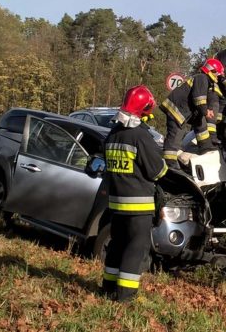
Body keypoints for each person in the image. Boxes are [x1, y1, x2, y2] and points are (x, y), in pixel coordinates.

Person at [101, 85, 168, 302]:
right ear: (144, 109)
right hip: (138, 206)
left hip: (116, 204)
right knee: (135, 248)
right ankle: (125, 296)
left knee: (117, 245)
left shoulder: (113, 134)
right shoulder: (140, 136)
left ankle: (108, 288)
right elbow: (157, 170)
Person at [159, 58, 224, 168]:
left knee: (200, 123)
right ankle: (169, 163)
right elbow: (199, 99)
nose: (219, 76)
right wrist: (206, 111)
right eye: (218, 73)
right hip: (177, 110)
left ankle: (206, 147)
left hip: (183, 110)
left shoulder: (203, 79)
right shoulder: (202, 78)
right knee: (175, 136)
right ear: (211, 71)